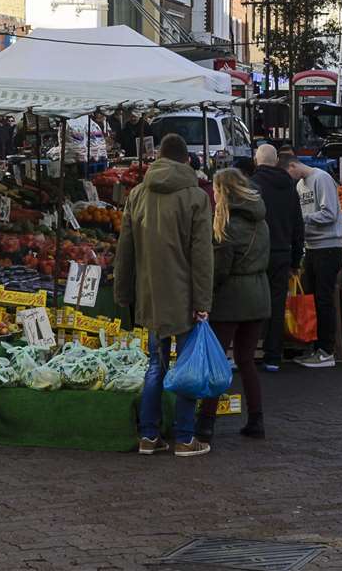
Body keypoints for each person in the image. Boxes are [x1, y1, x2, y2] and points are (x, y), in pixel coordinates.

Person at [113, 133, 213, 458]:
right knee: (186, 368)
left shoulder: (138, 194)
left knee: (155, 366)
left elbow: (124, 250)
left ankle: (148, 435)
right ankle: (184, 437)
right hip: (184, 297)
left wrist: (123, 292)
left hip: (150, 295)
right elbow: (202, 256)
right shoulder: (196, 198)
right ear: (186, 160)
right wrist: (202, 302)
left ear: (158, 157)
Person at [194, 168, 270, 445]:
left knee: (217, 360)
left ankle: (205, 423)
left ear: (222, 191)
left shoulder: (227, 223)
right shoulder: (260, 218)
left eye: (215, 189)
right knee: (246, 359)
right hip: (259, 295)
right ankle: (256, 419)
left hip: (231, 299)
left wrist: (204, 294)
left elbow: (220, 269)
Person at [249, 145, 304, 373]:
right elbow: (297, 225)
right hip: (282, 253)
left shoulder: (252, 186)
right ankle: (273, 356)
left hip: (257, 254)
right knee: (277, 303)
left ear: (257, 160)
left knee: (252, 304)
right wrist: (295, 260)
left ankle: (248, 351)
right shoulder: (290, 187)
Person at [286, 152, 342, 369]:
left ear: (293, 165)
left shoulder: (321, 178)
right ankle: (316, 347)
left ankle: (327, 352)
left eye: (287, 173)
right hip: (312, 248)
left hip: (328, 247)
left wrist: (302, 220)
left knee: (323, 300)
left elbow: (330, 214)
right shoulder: (300, 186)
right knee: (311, 300)